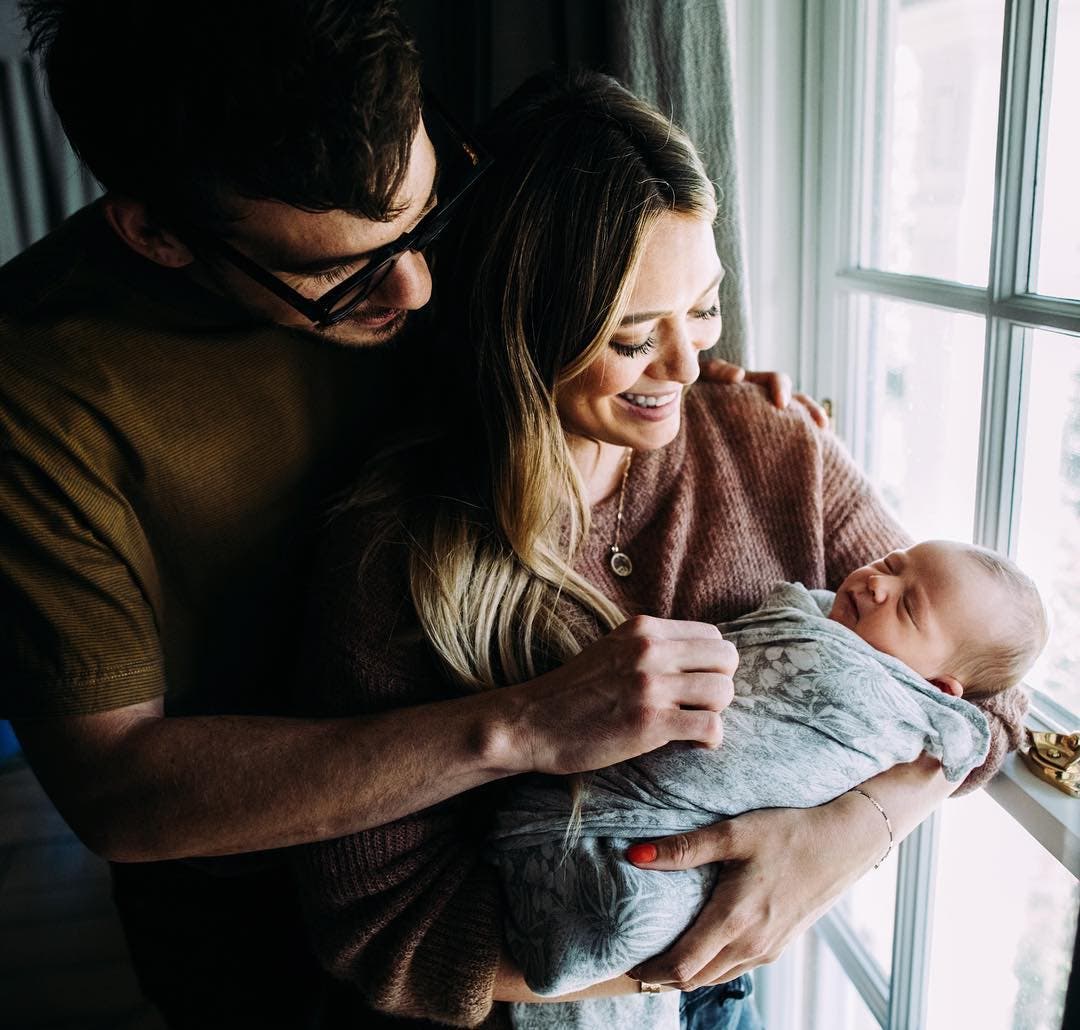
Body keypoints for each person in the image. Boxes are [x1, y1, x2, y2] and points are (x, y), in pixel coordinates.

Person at [1, 4, 800, 1025]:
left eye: (428, 216)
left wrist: (678, 368)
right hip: (280, 932)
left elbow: (550, 316)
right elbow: (120, 791)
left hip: (554, 888)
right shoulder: (36, 396)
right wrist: (520, 727)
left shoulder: (399, 165)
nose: (420, 284)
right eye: (339, 273)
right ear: (157, 234)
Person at [289, 71, 1029, 1029]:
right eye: (635, 336)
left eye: (706, 309)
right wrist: (668, 964)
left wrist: (846, 835)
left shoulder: (770, 443)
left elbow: (989, 686)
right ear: (524, 325)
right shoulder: (396, 550)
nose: (688, 369)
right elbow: (384, 928)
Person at [490, 540, 1047, 1029]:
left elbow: (992, 715)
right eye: (890, 562)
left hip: (718, 977)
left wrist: (864, 825)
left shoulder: (898, 705)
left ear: (936, 686)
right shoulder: (834, 614)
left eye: (906, 606)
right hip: (580, 933)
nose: (877, 582)